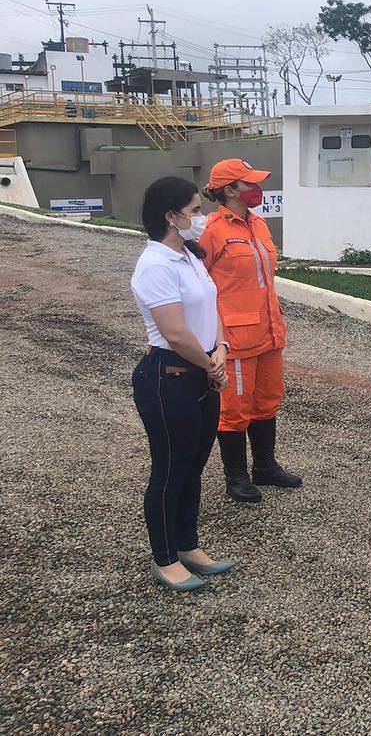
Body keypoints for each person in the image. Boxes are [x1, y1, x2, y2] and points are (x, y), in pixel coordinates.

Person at [131, 176, 235, 592]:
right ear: (171, 217)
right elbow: (174, 333)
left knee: (194, 466)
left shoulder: (190, 256)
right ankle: (165, 557)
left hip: (202, 370)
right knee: (170, 468)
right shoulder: (154, 265)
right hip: (169, 377)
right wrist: (210, 365)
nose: (203, 218)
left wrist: (222, 347)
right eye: (195, 210)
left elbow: (212, 306)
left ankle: (188, 545)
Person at [199, 159, 301, 503]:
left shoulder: (258, 224)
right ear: (229, 191)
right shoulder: (211, 230)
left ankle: (265, 466)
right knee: (234, 409)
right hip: (236, 339)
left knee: (268, 401)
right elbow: (198, 285)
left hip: (270, 332)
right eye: (249, 184)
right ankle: (236, 476)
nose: (256, 189)